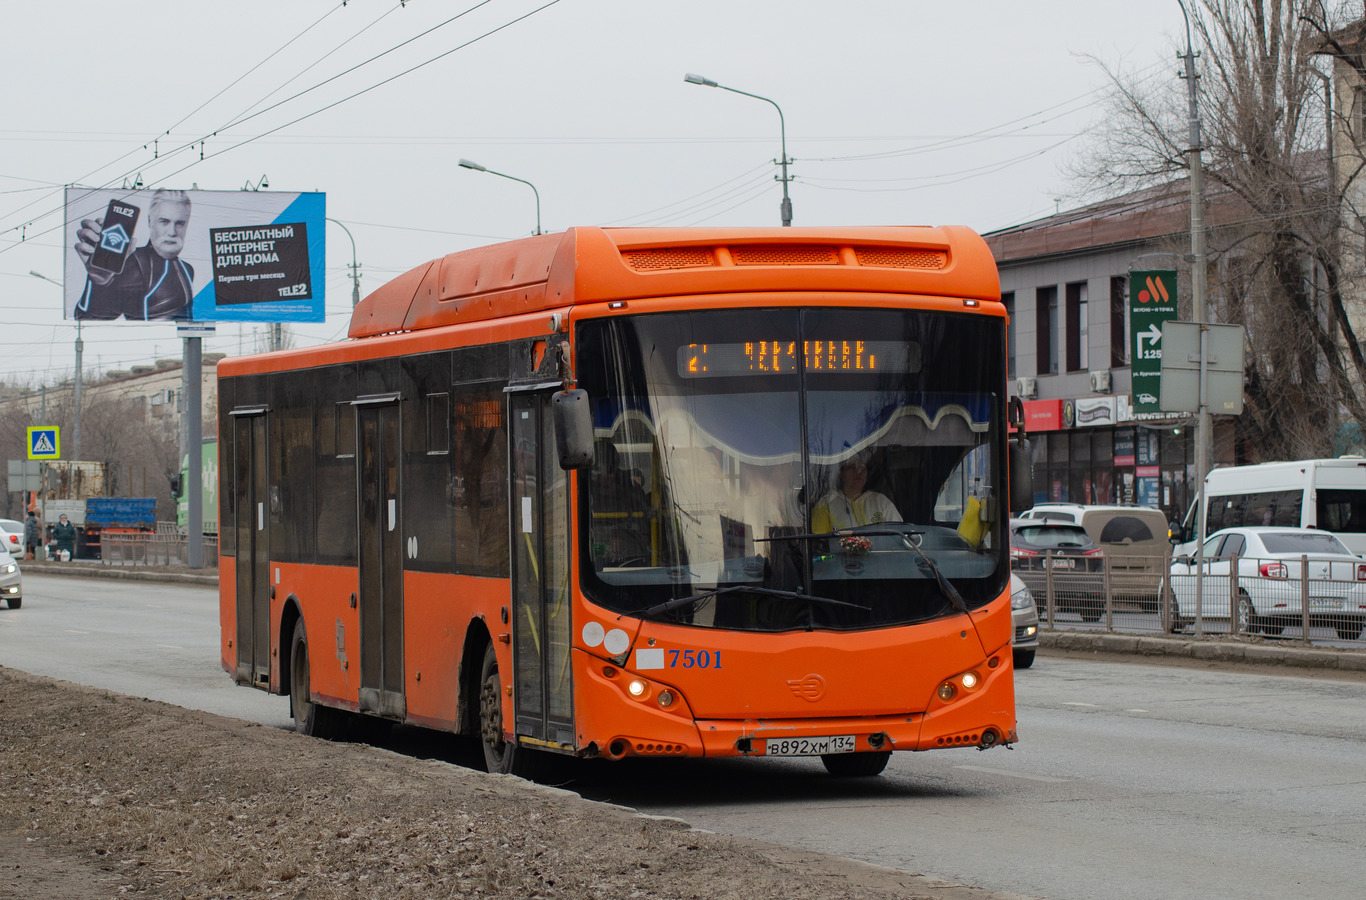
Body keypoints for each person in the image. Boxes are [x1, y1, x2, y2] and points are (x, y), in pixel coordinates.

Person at [73, 189, 194, 320]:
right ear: (150, 221)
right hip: (145, 339)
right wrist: (100, 282)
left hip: (174, 339)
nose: (172, 232)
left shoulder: (187, 269)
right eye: (164, 221)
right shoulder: (135, 263)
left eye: (180, 223)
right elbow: (89, 318)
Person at [812, 452, 901, 533]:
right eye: (851, 467)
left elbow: (901, 537)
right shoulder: (826, 505)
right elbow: (820, 543)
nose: (858, 471)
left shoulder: (881, 502)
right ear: (840, 472)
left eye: (862, 467)